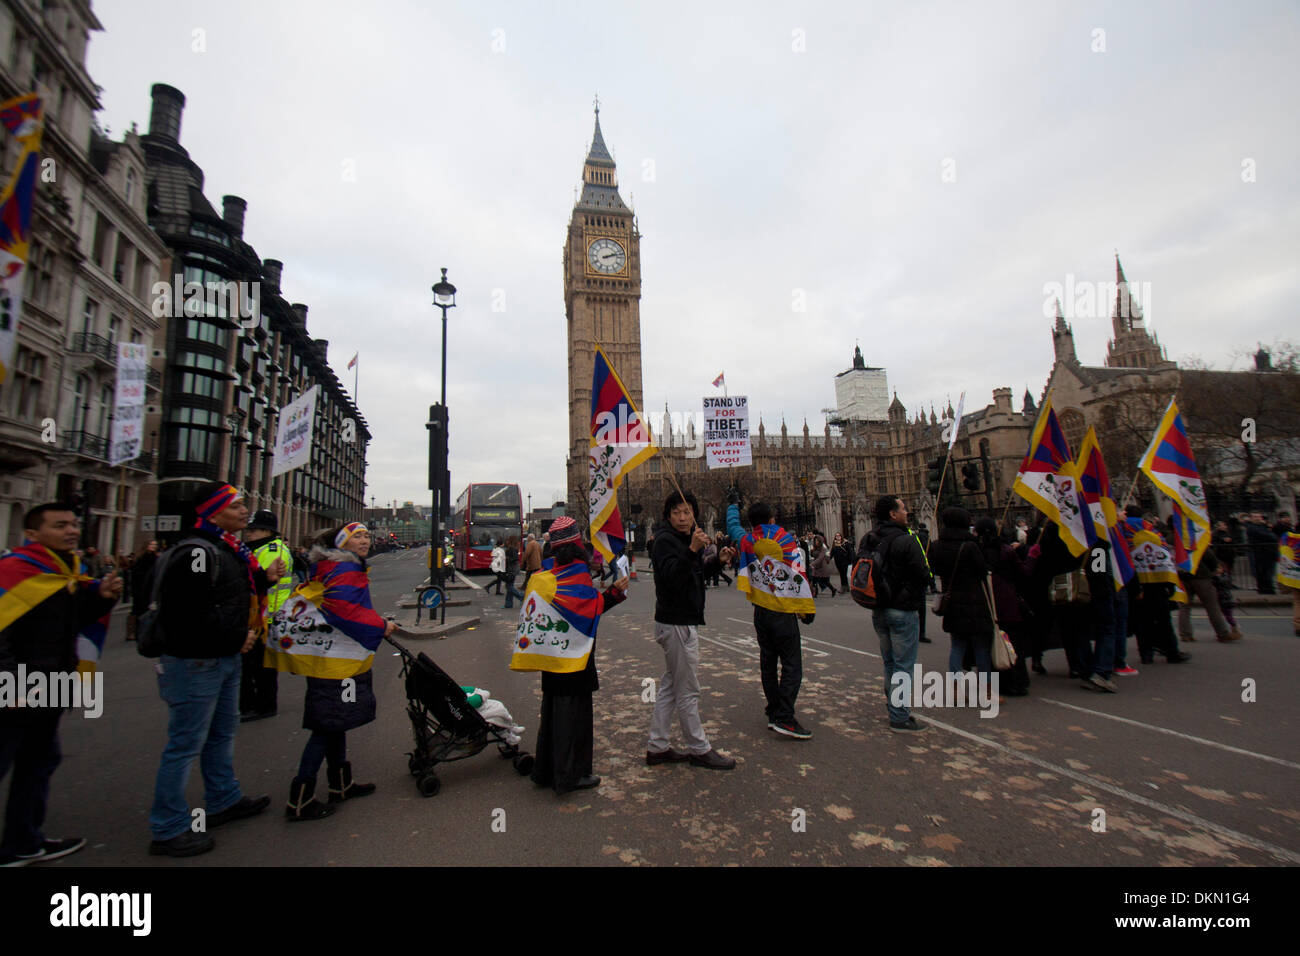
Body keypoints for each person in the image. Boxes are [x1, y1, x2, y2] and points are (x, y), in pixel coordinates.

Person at [149, 483, 283, 857]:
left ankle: (223, 799)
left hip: (223, 658)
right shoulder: (195, 552)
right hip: (196, 660)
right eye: (236, 505)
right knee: (185, 744)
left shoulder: (227, 549)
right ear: (212, 512)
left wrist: (263, 578)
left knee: (222, 733)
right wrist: (234, 638)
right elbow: (189, 612)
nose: (245, 511)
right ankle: (168, 827)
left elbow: (228, 594)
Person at [0, 503, 121, 867]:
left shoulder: (65, 572)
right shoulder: (14, 570)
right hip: (19, 686)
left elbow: (66, 625)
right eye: (59, 525)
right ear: (33, 534)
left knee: (38, 762)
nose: (71, 530)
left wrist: (99, 597)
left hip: (49, 683)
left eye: (73, 524)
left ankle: (23, 842)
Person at [273, 522, 394, 821]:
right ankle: (300, 799)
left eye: (366, 535)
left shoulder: (331, 567)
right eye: (358, 537)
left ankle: (341, 784)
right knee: (325, 726)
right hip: (335, 661)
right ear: (343, 544)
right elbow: (343, 610)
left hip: (329, 656)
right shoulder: (344, 571)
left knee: (334, 721)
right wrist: (381, 626)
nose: (365, 540)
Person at [522, 517, 628, 794]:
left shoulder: (543, 575)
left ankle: (545, 770)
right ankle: (570, 775)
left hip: (551, 655)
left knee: (553, 712)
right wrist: (616, 593)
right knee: (574, 715)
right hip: (576, 658)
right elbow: (590, 610)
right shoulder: (577, 573)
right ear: (577, 544)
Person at [647, 491, 736, 770]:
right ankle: (699, 749)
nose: (683, 518)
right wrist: (693, 550)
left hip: (682, 620)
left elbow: (694, 576)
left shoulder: (684, 540)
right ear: (668, 515)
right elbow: (673, 577)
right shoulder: (664, 541)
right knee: (688, 689)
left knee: (672, 687)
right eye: (677, 512)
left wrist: (717, 561)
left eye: (687, 512)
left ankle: (657, 746)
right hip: (676, 623)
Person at [727, 491, 816, 739]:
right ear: (773, 520)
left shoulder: (748, 541)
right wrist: (806, 609)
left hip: (761, 613)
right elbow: (799, 576)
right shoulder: (785, 541)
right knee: (791, 666)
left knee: (768, 663)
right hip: (783, 612)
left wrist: (733, 505)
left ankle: (774, 711)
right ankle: (785, 717)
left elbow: (732, 526)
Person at [862, 496, 930, 731]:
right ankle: (899, 716)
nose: (907, 512)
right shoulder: (907, 540)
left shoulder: (868, 538)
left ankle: (894, 707)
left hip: (878, 609)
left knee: (890, 663)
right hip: (901, 609)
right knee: (903, 665)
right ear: (892, 514)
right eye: (903, 509)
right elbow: (924, 574)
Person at [928, 508, 994, 680]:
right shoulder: (971, 546)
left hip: (951, 601)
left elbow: (933, 569)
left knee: (957, 645)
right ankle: (987, 690)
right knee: (981, 647)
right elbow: (983, 571)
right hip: (975, 601)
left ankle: (956, 688)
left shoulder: (936, 546)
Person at [241, 510, 291, 721]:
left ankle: (262, 705)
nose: (249, 533)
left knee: (260, 666)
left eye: (253, 529)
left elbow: (260, 580)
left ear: (266, 530)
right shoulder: (257, 548)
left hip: (266, 615)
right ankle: (254, 703)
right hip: (259, 614)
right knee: (254, 665)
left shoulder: (271, 550)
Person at [976, 517, 1034, 696]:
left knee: (993, 643)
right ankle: (1017, 682)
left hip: (988, 603)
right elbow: (1023, 572)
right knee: (1012, 643)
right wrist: (1031, 556)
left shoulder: (977, 552)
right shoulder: (1006, 550)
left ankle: (998, 682)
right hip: (1008, 602)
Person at [1176, 547, 1239, 643]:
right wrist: (1214, 569)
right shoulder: (1195, 537)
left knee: (1185, 607)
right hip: (1201, 576)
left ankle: (1185, 634)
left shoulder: (1173, 539)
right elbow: (1210, 558)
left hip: (1183, 576)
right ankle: (1222, 633)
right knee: (1212, 606)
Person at [128, 539, 160, 643]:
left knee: (149, 610)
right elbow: (136, 574)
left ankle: (145, 631)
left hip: (151, 588)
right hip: (140, 588)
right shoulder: (141, 558)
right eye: (151, 544)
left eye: (155, 545)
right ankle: (132, 632)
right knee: (137, 610)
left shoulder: (156, 559)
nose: (153, 546)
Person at [1246, 514, 1278, 594]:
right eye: (1255, 517)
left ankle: (1268, 587)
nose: (1258, 518)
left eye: (1259, 517)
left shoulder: (1263, 526)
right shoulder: (1252, 527)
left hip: (1268, 552)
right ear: (1251, 518)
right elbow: (1269, 536)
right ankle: (1265, 589)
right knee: (1262, 571)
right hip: (1260, 552)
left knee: (1268, 571)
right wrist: (1272, 536)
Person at [502, 536, 526, 609]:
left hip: (511, 570)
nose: (506, 541)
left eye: (508, 540)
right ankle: (508, 604)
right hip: (513, 569)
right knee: (510, 585)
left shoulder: (511, 549)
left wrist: (506, 558)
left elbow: (515, 558)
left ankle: (521, 596)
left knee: (509, 586)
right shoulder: (514, 548)